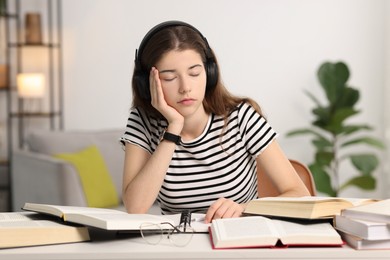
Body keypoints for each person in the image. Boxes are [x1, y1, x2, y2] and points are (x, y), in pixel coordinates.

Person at [120, 20, 310, 223]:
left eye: (194, 73)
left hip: (240, 240)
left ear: (210, 73)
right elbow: (135, 207)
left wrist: (244, 209)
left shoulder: (241, 117)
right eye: (169, 78)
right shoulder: (143, 122)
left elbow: (300, 194)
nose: (185, 87)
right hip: (180, 246)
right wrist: (174, 128)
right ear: (146, 84)